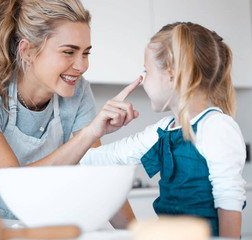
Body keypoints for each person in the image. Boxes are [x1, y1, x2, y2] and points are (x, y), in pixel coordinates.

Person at [0, 0, 140, 228]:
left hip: (33, 224)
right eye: (69, 52)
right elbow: (12, 183)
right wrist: (89, 134)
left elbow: (99, 175)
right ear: (27, 50)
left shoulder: (78, 92)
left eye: (86, 53)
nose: (81, 65)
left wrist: (137, 233)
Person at [80, 22, 246, 238]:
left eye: (146, 71)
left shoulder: (216, 127)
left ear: (171, 76)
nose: (143, 80)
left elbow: (229, 200)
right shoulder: (162, 130)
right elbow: (97, 159)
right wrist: (97, 128)